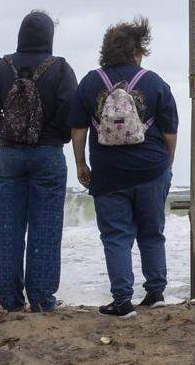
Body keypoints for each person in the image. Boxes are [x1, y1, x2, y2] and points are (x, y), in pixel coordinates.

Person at [68, 18, 178, 319]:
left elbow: (78, 128)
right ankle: (156, 293)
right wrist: (165, 165)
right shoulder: (155, 83)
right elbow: (170, 132)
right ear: (137, 51)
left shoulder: (91, 82)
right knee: (152, 232)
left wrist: (80, 162)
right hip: (151, 170)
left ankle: (123, 301)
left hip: (109, 172)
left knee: (116, 236)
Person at [0, 11, 77, 312]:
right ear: (49, 37)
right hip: (48, 154)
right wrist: (52, 136)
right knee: (46, 229)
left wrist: (7, 131)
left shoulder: (2, 69)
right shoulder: (60, 68)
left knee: (7, 228)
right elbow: (70, 112)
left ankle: (9, 300)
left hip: (9, 154)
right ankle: (42, 300)